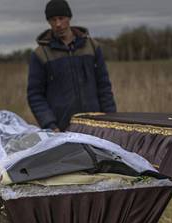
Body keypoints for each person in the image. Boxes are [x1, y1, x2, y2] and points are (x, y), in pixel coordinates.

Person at [27, 0, 117, 132]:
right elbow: (35, 95)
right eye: (53, 20)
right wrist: (50, 125)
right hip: (62, 130)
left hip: (96, 126)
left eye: (61, 18)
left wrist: (111, 119)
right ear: (48, 22)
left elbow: (103, 86)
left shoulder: (92, 46)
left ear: (69, 17)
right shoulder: (41, 54)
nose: (58, 24)